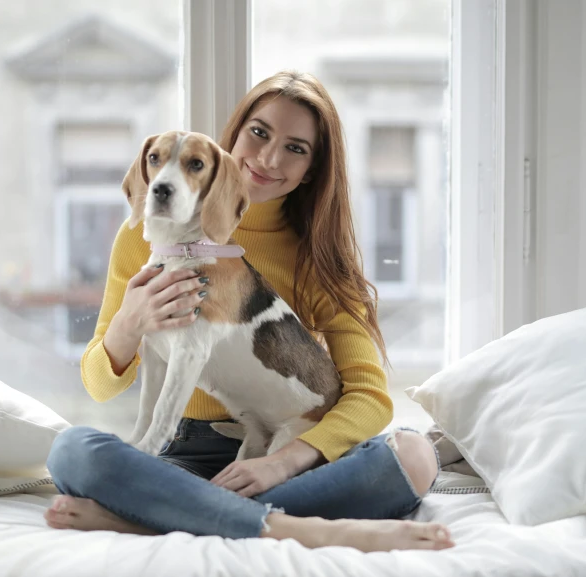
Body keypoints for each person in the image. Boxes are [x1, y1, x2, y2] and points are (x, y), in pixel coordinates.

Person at [44, 70, 453, 553]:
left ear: (312, 170)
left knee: (415, 453)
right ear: (235, 134)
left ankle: (158, 516)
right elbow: (100, 383)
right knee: (73, 452)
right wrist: (130, 323)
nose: (268, 158)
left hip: (286, 455)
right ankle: (305, 530)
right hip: (184, 456)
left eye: (295, 149)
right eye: (258, 133)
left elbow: (369, 398)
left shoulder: (319, 257)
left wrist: (281, 463)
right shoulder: (147, 233)